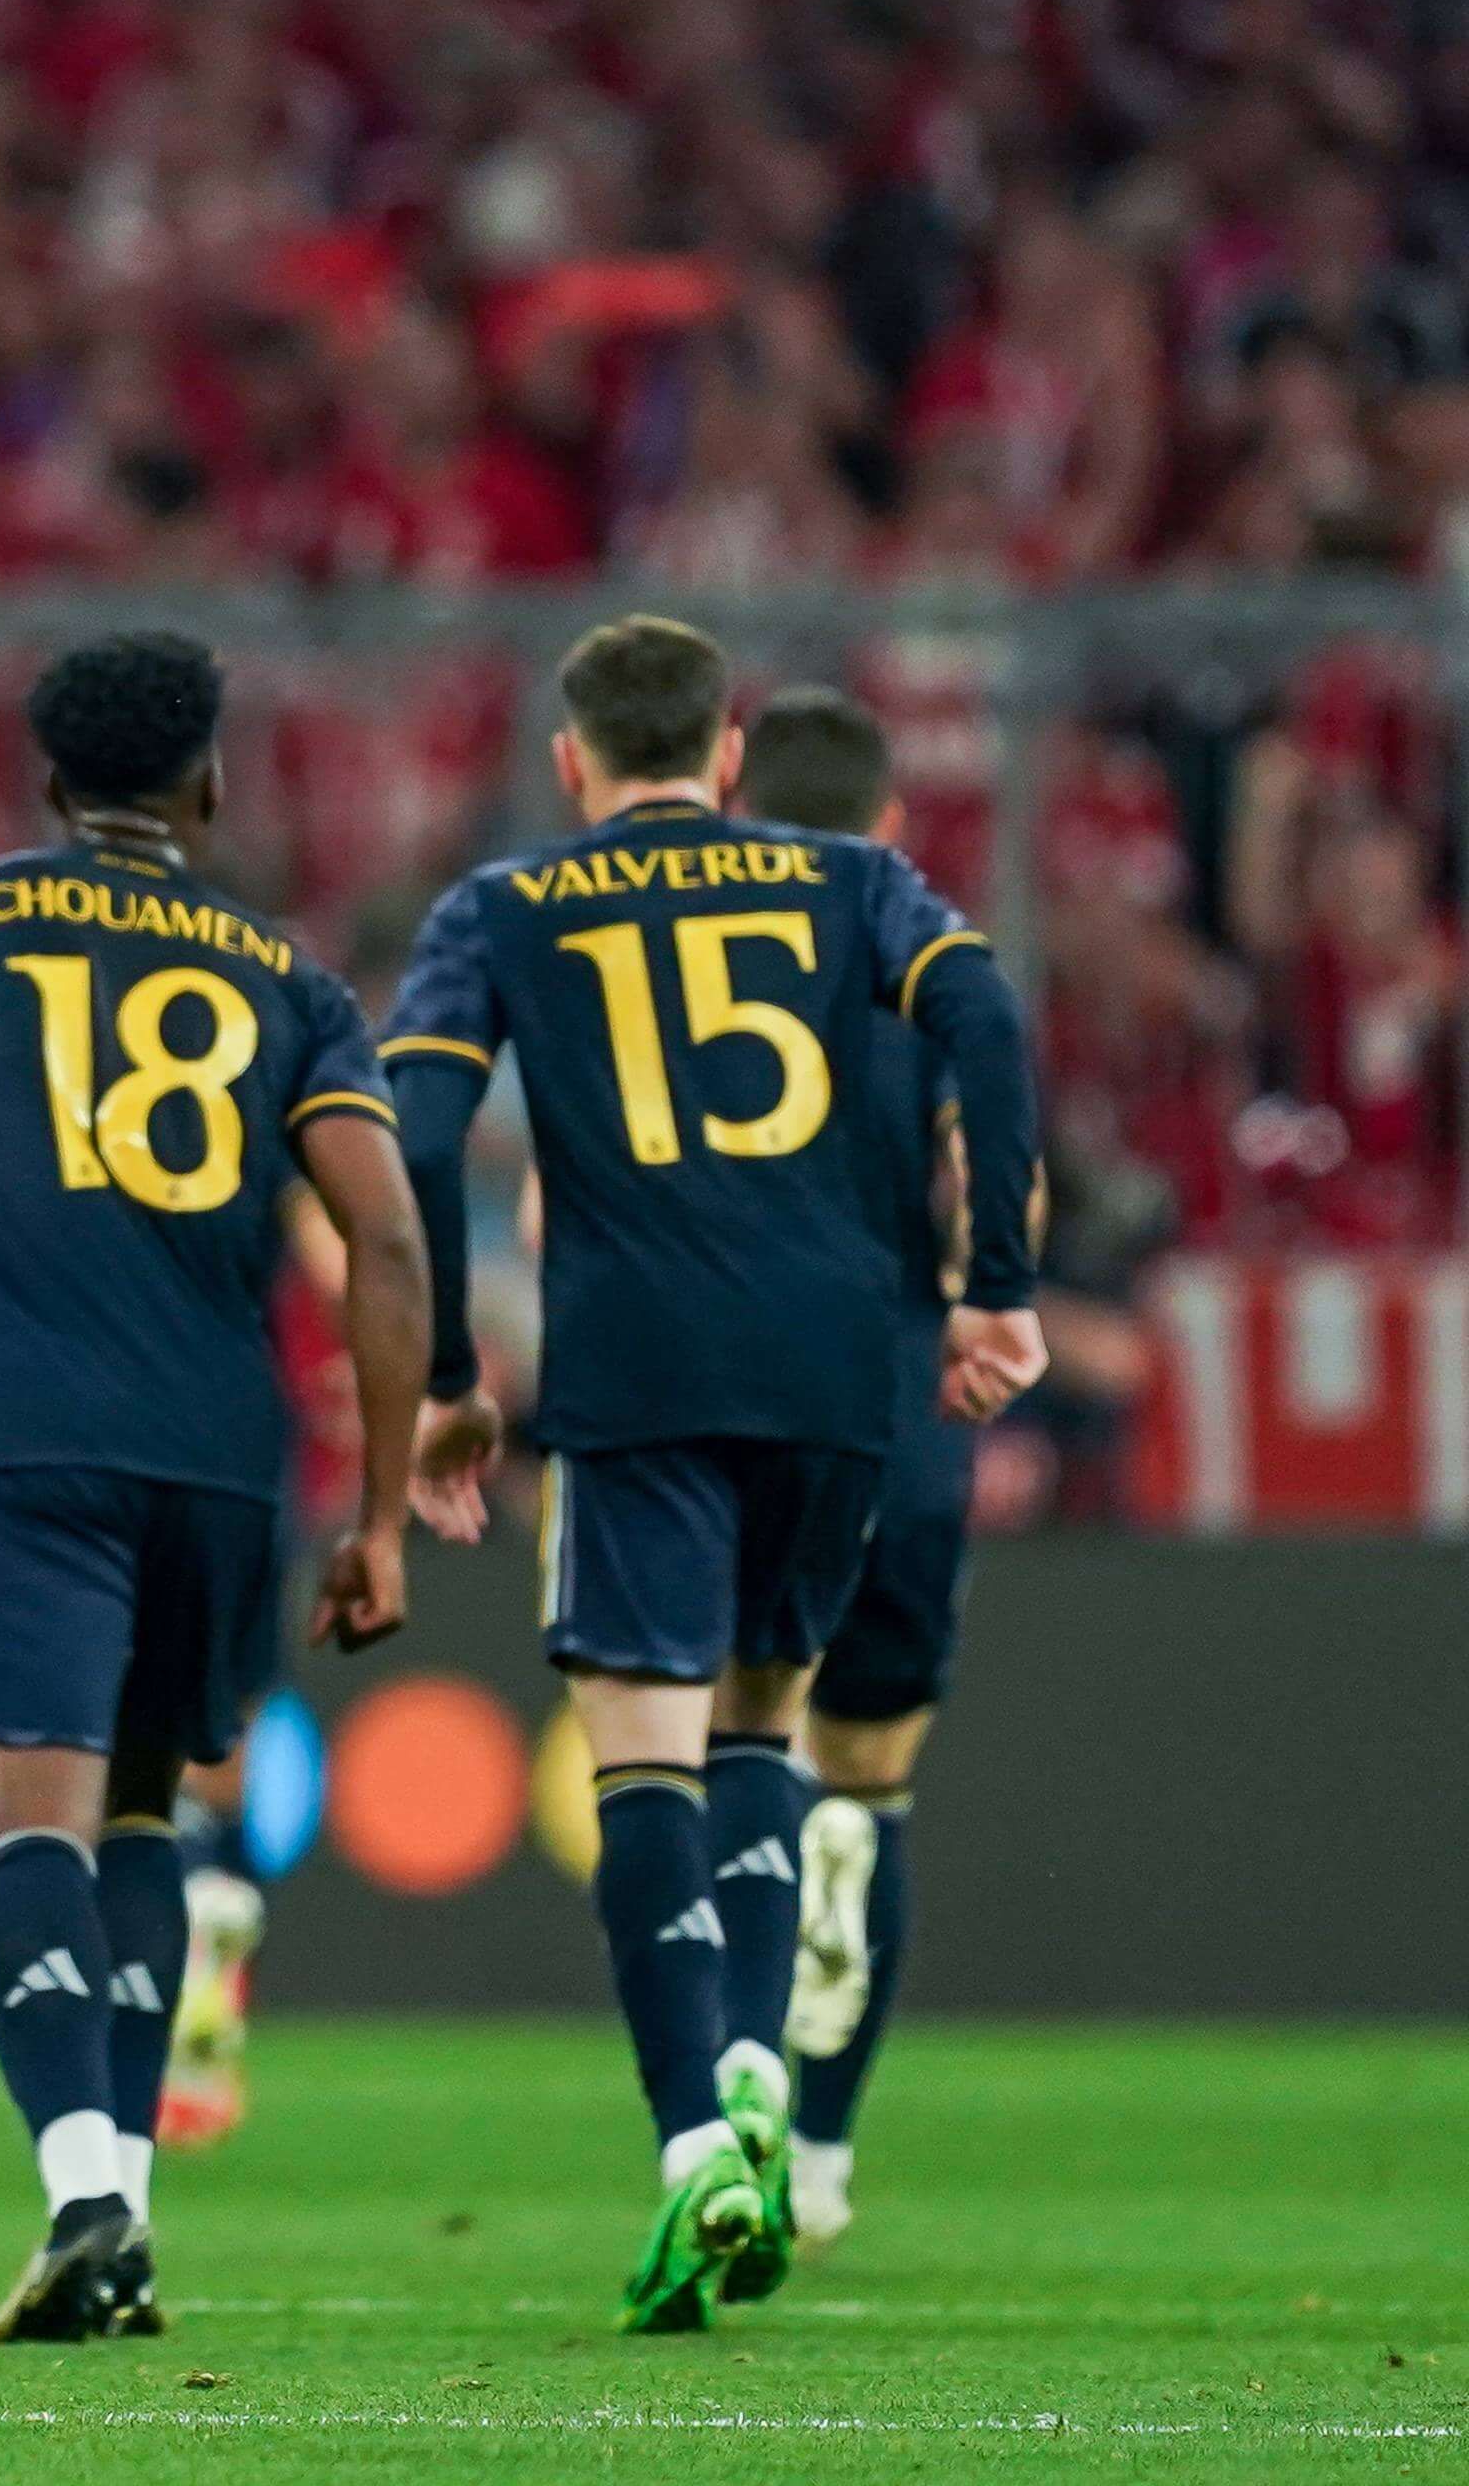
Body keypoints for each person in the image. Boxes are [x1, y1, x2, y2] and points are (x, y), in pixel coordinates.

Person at [379, 616, 1046, 2334]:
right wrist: (1001, 1296)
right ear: (731, 754)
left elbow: (423, 1132)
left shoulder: (506, 908)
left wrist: (450, 1376)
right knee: (768, 1729)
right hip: (838, 1379)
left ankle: (697, 2143)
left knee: (644, 1755)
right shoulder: (853, 887)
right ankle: (761, 2061)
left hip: (636, 1371)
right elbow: (986, 1020)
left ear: (570, 761)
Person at [0, 631, 432, 2345]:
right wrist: (375, 1512)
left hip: (28, 1433)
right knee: (151, 1807)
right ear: (209, 784)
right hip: (225, 1454)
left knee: (34, 1818)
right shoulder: (287, 977)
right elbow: (383, 1231)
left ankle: (84, 2187)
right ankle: (126, 2217)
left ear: (50, 784)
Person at [731, 686, 1007, 2255]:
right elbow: (976, 1192)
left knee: (715, 1755)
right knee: (867, 1784)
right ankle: (823, 2148)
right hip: (892, 1407)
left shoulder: (675, 980)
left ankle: (722, 2103)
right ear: (889, 829)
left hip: (720, 1407)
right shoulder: (925, 976)